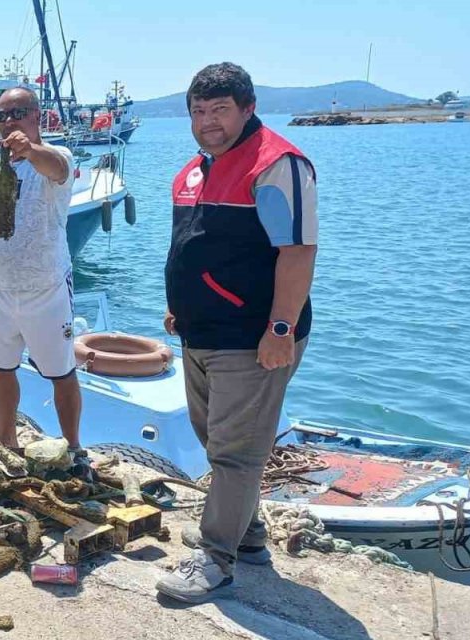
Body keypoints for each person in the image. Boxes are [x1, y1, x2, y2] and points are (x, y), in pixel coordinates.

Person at [156, 62, 318, 604]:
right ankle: (246, 534)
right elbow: (197, 248)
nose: (208, 122)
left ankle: (216, 560)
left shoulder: (276, 165)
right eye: (199, 112)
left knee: (235, 452)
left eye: (220, 110)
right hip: (200, 333)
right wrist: (179, 306)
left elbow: (297, 253)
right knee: (213, 437)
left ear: (248, 108)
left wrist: (280, 328)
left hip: (251, 336)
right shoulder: (194, 171)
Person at [0, 87, 80, 454]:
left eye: (18, 112)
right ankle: (7, 441)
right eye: (1, 116)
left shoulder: (54, 156)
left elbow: (59, 169)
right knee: (0, 369)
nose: (9, 121)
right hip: (1, 288)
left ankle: (73, 446)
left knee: (61, 373)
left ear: (37, 115)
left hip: (45, 287)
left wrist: (30, 150)